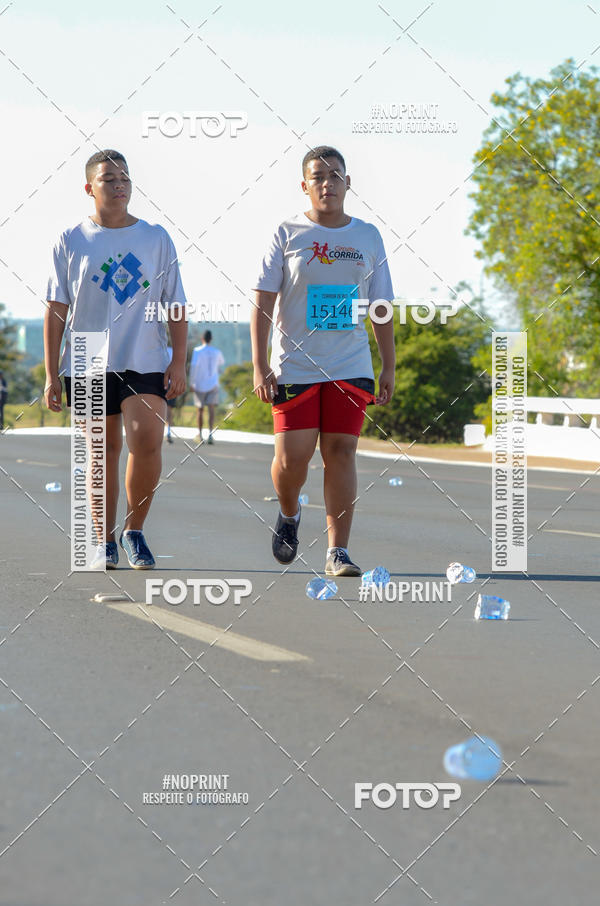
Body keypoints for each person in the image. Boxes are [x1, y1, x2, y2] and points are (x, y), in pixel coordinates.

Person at [251, 145, 395, 577]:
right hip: (295, 364)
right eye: (318, 177)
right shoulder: (288, 233)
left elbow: (381, 305)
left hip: (350, 364)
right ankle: (290, 512)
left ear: (348, 183)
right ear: (305, 185)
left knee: (342, 451)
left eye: (335, 176)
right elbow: (262, 302)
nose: (327, 184)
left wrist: (388, 364)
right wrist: (260, 365)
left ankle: (338, 551)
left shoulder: (367, 236)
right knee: (293, 460)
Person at [44, 149, 187, 570]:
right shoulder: (71, 239)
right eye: (109, 179)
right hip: (88, 356)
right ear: (90, 188)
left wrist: (178, 361)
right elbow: (56, 310)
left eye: (124, 177)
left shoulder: (156, 237)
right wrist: (52, 373)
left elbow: (174, 304)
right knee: (100, 451)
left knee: (147, 440)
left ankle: (134, 531)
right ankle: (102, 539)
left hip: (144, 355)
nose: (119, 184)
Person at [189, 330, 224, 444]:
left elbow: (194, 366)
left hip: (199, 384)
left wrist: (191, 382)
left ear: (202, 339)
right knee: (211, 409)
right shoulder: (217, 352)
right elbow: (220, 365)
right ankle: (210, 434)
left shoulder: (197, 351)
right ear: (211, 339)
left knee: (200, 409)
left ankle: (200, 434)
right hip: (213, 383)